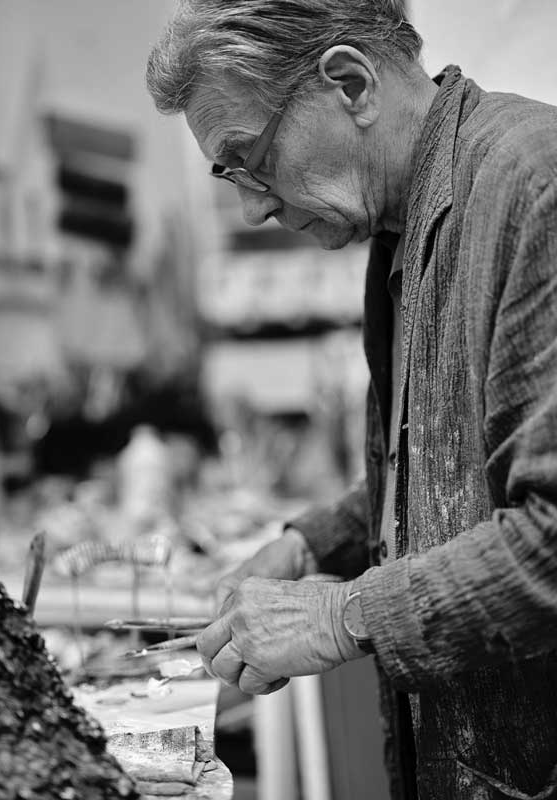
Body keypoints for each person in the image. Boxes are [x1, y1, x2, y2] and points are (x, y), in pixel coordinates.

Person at [146, 1, 557, 797]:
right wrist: (312, 545)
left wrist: (338, 617)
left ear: (350, 82)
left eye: (248, 158)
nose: (254, 206)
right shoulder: (405, 226)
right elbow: (454, 462)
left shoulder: (531, 185)